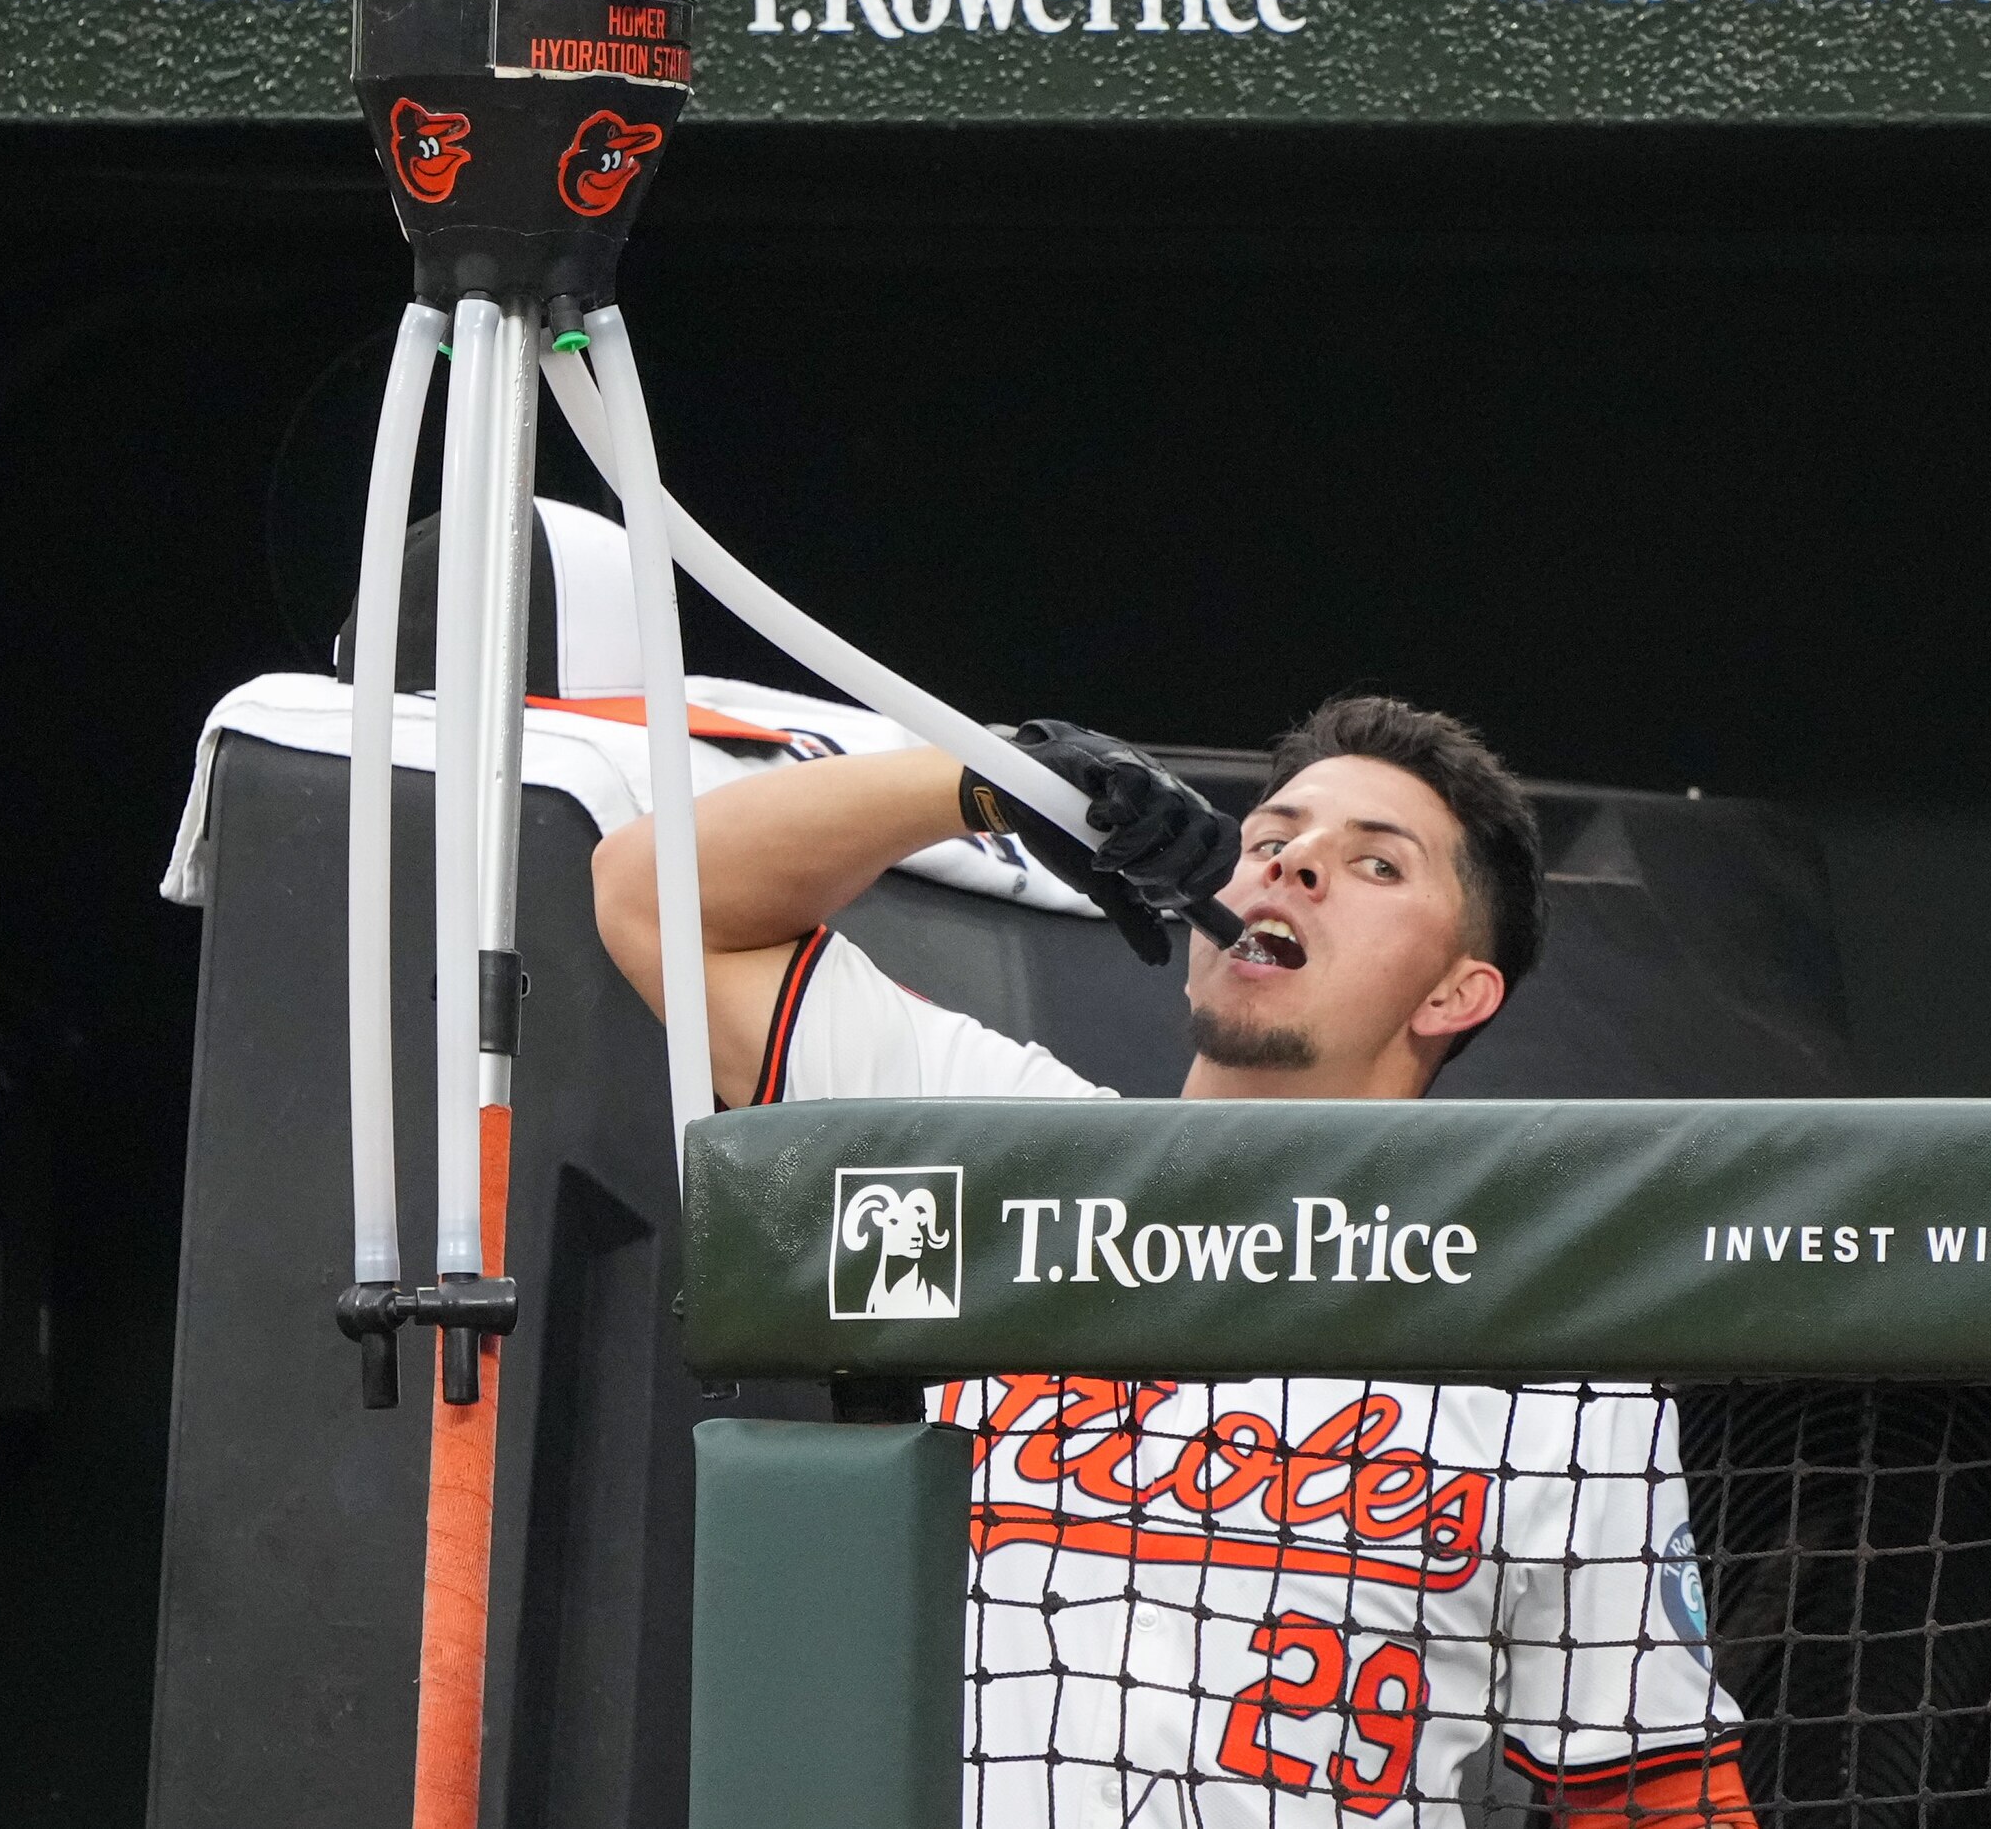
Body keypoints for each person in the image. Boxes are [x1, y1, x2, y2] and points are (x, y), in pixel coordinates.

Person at [593, 693, 1758, 1827]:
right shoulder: (1002, 1143)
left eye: (1375, 864)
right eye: (1270, 839)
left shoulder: (1550, 1354)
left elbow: (1650, 1791)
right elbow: (647, 896)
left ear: (1457, 991)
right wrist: (984, 785)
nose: (1293, 864)